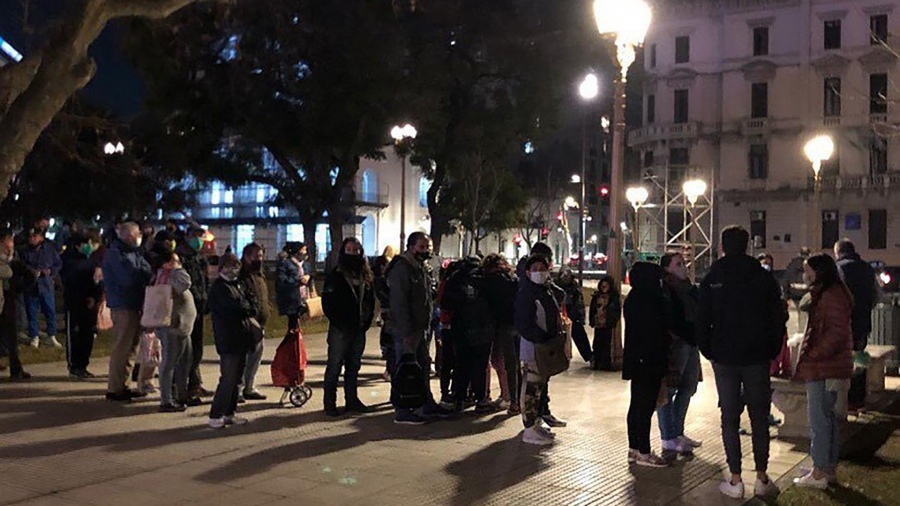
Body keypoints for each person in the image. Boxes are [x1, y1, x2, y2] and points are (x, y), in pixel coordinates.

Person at [697, 226, 786, 499]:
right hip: (757, 356)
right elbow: (777, 318)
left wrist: (709, 350)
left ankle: (735, 478)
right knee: (759, 416)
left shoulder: (713, 277)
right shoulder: (763, 277)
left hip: (725, 356)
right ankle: (761, 475)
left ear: (723, 246)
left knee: (729, 416)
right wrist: (771, 350)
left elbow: (703, 320)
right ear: (747, 245)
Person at [792, 253, 853, 489]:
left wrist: (814, 354)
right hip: (830, 367)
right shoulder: (832, 293)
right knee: (827, 420)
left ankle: (819, 472)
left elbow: (835, 334)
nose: (805, 275)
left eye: (808, 270)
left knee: (820, 420)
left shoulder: (831, 295)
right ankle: (826, 468)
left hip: (825, 368)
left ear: (821, 272)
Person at [386, 232, 452, 425]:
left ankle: (425, 402)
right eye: (422, 247)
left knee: (422, 365)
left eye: (428, 247)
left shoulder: (421, 267)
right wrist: (406, 331)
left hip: (420, 327)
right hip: (406, 329)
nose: (426, 251)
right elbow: (399, 302)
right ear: (411, 247)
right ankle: (402, 408)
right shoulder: (402, 268)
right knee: (404, 367)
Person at [622, 262, 671, 467]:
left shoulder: (635, 297)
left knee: (637, 405)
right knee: (645, 406)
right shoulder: (650, 299)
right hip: (649, 359)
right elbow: (656, 329)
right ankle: (643, 451)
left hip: (637, 358)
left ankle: (634, 448)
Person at [321, 237, 376, 417]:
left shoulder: (365, 275)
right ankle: (330, 403)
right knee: (335, 366)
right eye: (349, 250)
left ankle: (352, 400)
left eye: (356, 250)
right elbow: (327, 303)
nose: (353, 253)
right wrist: (339, 322)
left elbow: (369, 300)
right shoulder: (336, 276)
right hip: (340, 329)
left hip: (358, 328)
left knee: (354, 366)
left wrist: (367, 321)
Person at [656, 252, 702, 456]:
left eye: (684, 263)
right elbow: (671, 318)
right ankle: (668, 436)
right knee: (670, 390)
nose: (684, 267)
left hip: (692, 343)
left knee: (688, 388)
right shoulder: (666, 289)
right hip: (676, 345)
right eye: (678, 264)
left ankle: (678, 431)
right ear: (667, 268)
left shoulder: (689, 289)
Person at [515, 254, 564, 445]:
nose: (539, 273)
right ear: (527, 272)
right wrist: (541, 338)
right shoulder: (526, 293)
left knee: (540, 387)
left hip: (545, 346)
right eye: (535, 269)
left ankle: (535, 424)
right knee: (531, 388)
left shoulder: (545, 290)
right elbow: (523, 323)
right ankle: (529, 427)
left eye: (542, 269)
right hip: (534, 347)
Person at [102, 222, 154, 401]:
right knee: (122, 347)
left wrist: (140, 272)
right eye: (138, 233)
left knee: (131, 347)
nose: (140, 236)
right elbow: (128, 278)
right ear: (129, 236)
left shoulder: (133, 253)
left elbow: (146, 271)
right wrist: (140, 273)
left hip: (134, 304)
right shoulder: (116, 254)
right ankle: (115, 388)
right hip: (123, 305)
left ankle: (122, 385)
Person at [208, 253, 257, 428]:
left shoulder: (238, 284)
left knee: (237, 379)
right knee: (228, 378)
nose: (234, 269)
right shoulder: (220, 288)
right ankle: (216, 414)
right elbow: (234, 309)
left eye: (236, 265)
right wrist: (246, 307)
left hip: (241, 337)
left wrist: (247, 306)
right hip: (228, 338)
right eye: (230, 265)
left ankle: (230, 412)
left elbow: (252, 304)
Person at [442, 256, 494, 413]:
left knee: (461, 363)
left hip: (461, 327)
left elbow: (446, 303)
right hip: (483, 327)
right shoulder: (485, 278)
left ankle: (459, 397)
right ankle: (480, 399)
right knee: (480, 365)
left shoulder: (455, 278)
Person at [833, 239, 877, 412]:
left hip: (845, 323)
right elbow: (874, 296)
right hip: (863, 322)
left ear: (838, 252)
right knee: (860, 358)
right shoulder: (867, 268)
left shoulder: (839, 269)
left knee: (843, 360)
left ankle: (844, 400)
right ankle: (858, 400)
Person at [153, 249, 197, 413]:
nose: (179, 264)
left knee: (184, 363)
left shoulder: (167, 276)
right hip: (173, 328)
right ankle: (166, 400)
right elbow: (185, 282)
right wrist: (176, 268)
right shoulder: (168, 277)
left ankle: (181, 395)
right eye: (176, 261)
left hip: (183, 328)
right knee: (169, 364)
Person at [60, 233, 103, 379]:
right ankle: (74, 366)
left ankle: (83, 365)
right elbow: (71, 283)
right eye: (87, 244)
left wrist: (94, 296)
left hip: (89, 304)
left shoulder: (91, 260)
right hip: (75, 303)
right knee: (75, 335)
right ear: (78, 245)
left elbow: (97, 281)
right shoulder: (69, 261)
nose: (90, 247)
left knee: (88, 335)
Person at [177, 226, 212, 399]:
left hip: (199, 307)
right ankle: (181, 387)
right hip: (186, 308)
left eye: (200, 236)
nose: (198, 240)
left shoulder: (199, 258)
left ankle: (195, 383)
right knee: (185, 350)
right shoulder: (180, 257)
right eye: (195, 236)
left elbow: (205, 281)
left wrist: (207, 301)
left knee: (197, 348)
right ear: (187, 236)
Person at [482, 254, 520, 414]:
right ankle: (514, 400)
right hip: (515, 324)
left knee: (497, 361)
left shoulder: (488, 280)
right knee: (513, 364)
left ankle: (507, 398)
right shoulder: (513, 279)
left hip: (497, 325)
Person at [238, 242, 271, 402]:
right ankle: (237, 389)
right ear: (247, 257)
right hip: (248, 323)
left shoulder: (259, 274)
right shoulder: (242, 275)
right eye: (256, 256)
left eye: (261, 255)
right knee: (243, 359)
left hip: (260, 323)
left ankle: (249, 387)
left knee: (255, 358)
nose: (259, 259)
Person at [20, 228, 63, 348]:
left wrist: (50, 272)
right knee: (32, 312)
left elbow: (58, 263)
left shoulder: (49, 249)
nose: (32, 239)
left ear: (41, 238)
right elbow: (22, 265)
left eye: (35, 237)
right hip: (31, 285)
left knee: (50, 311)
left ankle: (52, 335)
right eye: (31, 237)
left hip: (46, 285)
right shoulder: (25, 251)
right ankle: (34, 336)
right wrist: (31, 271)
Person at [0, 229, 31, 380]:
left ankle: (16, 368)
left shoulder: (13, 257)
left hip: (9, 298)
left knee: (12, 334)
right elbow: (7, 272)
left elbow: (21, 272)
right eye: (9, 240)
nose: (11, 243)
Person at [556, 266, 591, 364]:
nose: (565, 277)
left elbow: (579, 303)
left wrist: (581, 317)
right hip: (560, 312)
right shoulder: (556, 286)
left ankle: (589, 356)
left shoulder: (574, 287)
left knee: (579, 335)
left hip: (573, 313)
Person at [276, 242, 311, 330]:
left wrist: (308, 279)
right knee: (293, 324)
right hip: (292, 298)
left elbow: (310, 277)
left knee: (302, 324)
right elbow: (282, 280)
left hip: (304, 297)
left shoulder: (306, 264)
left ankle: (298, 341)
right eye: (303, 250)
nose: (305, 252)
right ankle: (292, 342)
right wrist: (298, 281)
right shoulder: (285, 264)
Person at [589, 275, 620, 371]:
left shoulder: (613, 298)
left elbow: (616, 311)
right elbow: (592, 310)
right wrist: (592, 321)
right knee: (597, 343)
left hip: (607, 323)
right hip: (598, 323)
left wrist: (613, 321)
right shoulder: (596, 297)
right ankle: (597, 362)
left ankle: (605, 363)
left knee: (606, 344)